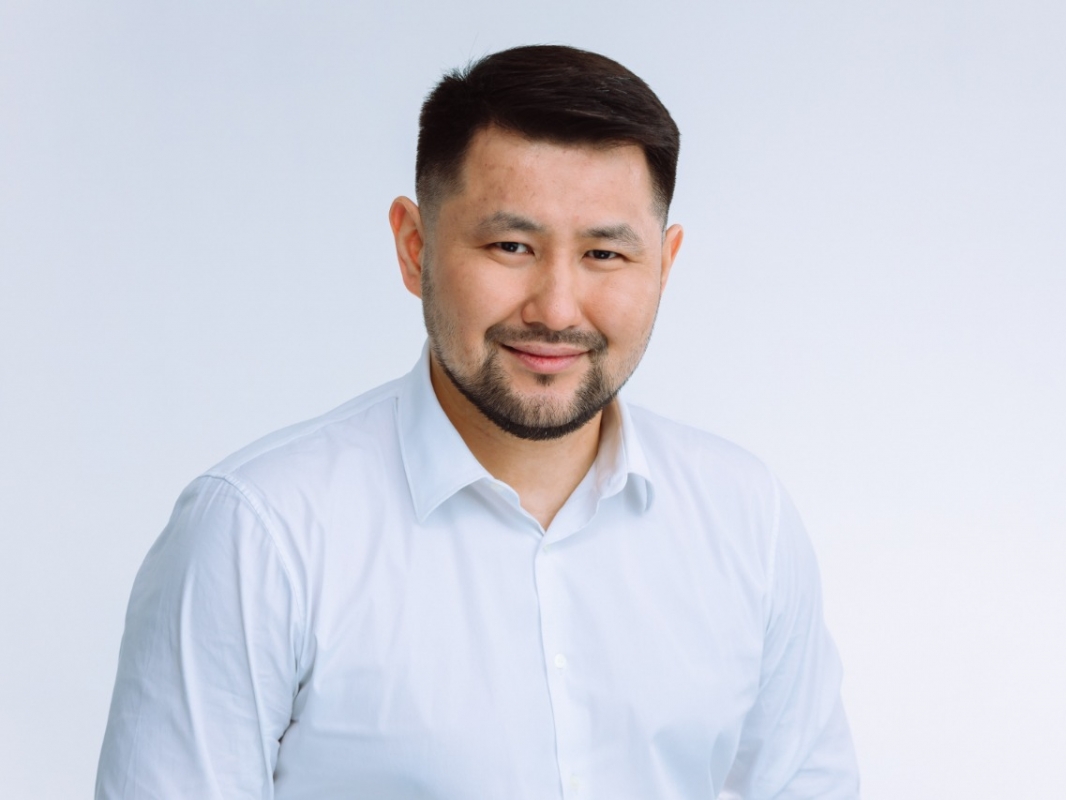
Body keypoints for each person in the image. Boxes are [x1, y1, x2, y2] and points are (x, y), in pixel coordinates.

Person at [96, 44, 859, 799]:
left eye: (604, 254)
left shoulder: (746, 519)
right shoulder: (257, 534)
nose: (556, 308)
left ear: (665, 263)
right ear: (414, 247)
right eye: (511, 246)